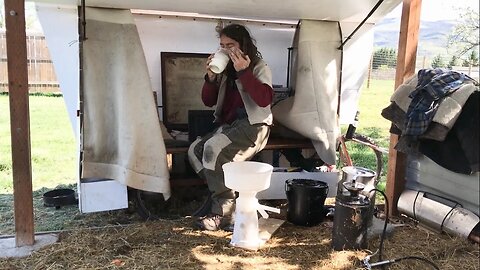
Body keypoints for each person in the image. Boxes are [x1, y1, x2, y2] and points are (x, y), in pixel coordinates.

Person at [187, 23, 274, 231]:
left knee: (212, 149)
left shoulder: (259, 66)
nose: (225, 50)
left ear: (243, 45)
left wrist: (244, 72)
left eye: (231, 45)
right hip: (230, 125)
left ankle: (222, 213)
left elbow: (264, 100)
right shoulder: (225, 70)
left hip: (254, 126)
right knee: (194, 151)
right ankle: (229, 199)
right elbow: (208, 101)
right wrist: (210, 78)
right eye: (222, 45)